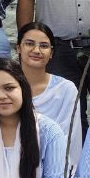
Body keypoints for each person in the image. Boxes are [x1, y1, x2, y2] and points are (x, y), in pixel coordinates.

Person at [16, 22, 82, 167]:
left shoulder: (65, 89)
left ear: (51, 53)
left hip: (54, 164)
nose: (36, 50)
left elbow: (69, 138)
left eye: (44, 46)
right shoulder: (5, 87)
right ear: (18, 48)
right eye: (29, 44)